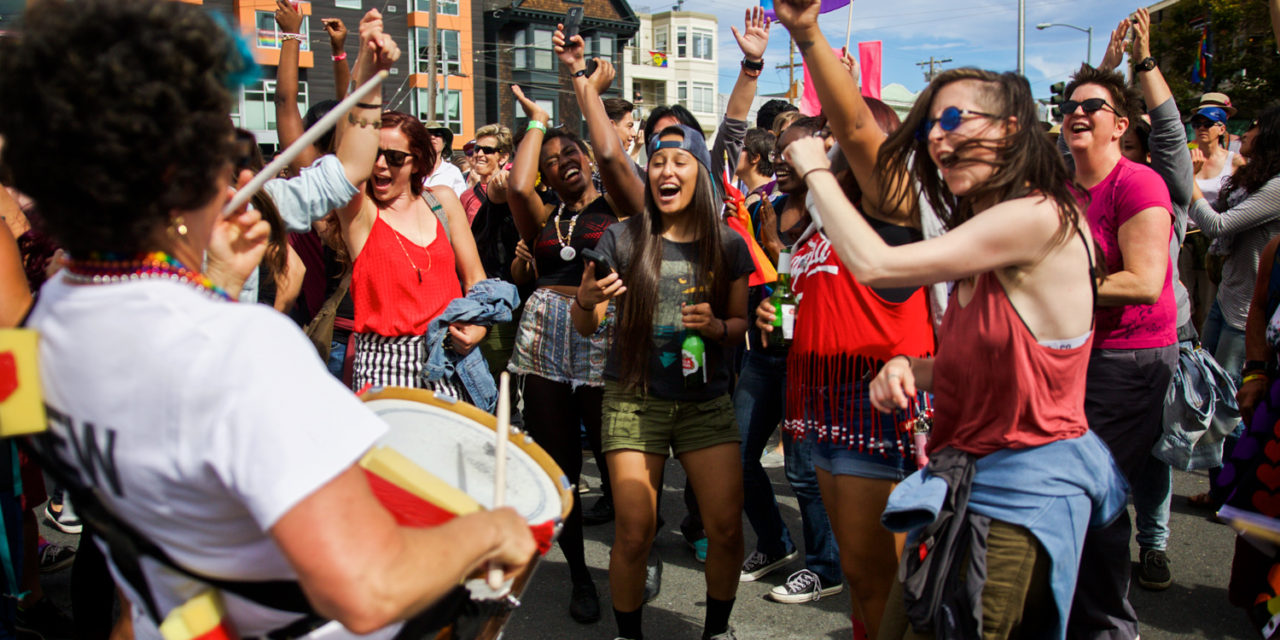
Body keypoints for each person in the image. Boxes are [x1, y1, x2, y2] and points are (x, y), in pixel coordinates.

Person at [0, 3, 537, 639]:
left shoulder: (46, 321)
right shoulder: (243, 347)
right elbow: (367, 589)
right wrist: (492, 529)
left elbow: (85, 436)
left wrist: (219, 285)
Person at [779, 64, 1126, 640]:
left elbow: (877, 264)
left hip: (1025, 494)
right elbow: (988, 365)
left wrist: (815, 167)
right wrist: (909, 367)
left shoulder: (1040, 217)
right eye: (928, 128)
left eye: (953, 119)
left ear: (1012, 130)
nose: (937, 137)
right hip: (965, 481)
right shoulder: (983, 227)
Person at [766, 2, 937, 632]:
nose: (828, 145)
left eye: (836, 138)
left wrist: (805, 33)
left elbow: (861, 129)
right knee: (864, 586)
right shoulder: (826, 222)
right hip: (828, 408)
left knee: (880, 584)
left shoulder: (895, 217)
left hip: (880, 405)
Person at [574, 122, 753, 640]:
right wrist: (586, 302)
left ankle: (715, 631)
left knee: (723, 528)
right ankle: (628, 635)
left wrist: (718, 327)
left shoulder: (727, 244)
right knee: (633, 532)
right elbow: (587, 324)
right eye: (657, 162)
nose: (666, 171)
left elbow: (740, 325)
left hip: (706, 404)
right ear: (647, 171)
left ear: (699, 171)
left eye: (679, 162)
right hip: (634, 401)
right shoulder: (621, 238)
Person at [504, 22, 646, 624]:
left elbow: (613, 154)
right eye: (554, 159)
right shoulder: (541, 214)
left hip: (601, 334)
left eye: (572, 155)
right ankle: (581, 580)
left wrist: (580, 86)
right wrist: (537, 121)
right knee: (559, 463)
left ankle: (630, 559)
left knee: (615, 460)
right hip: (542, 341)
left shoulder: (616, 203)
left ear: (588, 159)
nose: (562, 164)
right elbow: (515, 181)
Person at [1058, 63, 1178, 640]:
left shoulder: (1139, 183)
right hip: (1073, 354)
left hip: (1131, 357)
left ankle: (1109, 629)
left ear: (1120, 124)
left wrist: (1055, 283)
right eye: (1068, 106)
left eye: (1092, 106)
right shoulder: (1061, 189)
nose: (1076, 113)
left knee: (1093, 492)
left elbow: (1144, 282)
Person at [1091, 8, 1199, 593]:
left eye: (1135, 140)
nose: (1124, 150)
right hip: (1092, 340)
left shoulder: (1167, 184)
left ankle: (1152, 544)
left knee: (1149, 456)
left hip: (1160, 339)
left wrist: (1143, 60)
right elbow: (1069, 132)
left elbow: (1171, 128)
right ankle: (1107, 548)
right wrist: (1105, 68)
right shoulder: (1084, 181)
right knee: (1099, 458)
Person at [735, 118, 844, 610]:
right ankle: (776, 542)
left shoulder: (836, 210)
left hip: (813, 361)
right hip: (765, 354)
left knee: (803, 473)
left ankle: (826, 567)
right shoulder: (770, 206)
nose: (780, 157)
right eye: (777, 149)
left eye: (791, 149)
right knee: (735, 453)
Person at [339, 107, 488, 394]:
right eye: (373, 155)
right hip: (383, 365)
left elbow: (476, 279)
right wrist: (352, 65)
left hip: (448, 359)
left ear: (417, 162)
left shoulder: (442, 201)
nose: (381, 165)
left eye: (394, 157)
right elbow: (347, 152)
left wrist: (478, 327)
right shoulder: (361, 213)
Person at [1188, 106, 1280, 507]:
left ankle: (1235, 491)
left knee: (1232, 408)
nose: (1249, 130)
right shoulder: (1252, 176)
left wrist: (1188, 186)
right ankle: (1221, 488)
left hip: (1247, 313)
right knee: (1214, 398)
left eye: (1257, 125)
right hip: (1227, 298)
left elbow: (1219, 226)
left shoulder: (1277, 187)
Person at [1192, 94, 1245, 207]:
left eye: (1208, 124)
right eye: (1197, 124)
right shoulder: (1186, 152)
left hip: (1218, 221)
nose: (1201, 128)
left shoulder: (1237, 154)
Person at [424, 122, 469, 197]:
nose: (432, 137)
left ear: (444, 143)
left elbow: (460, 202)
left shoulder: (453, 171)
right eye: (427, 134)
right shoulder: (413, 170)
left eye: (437, 134)